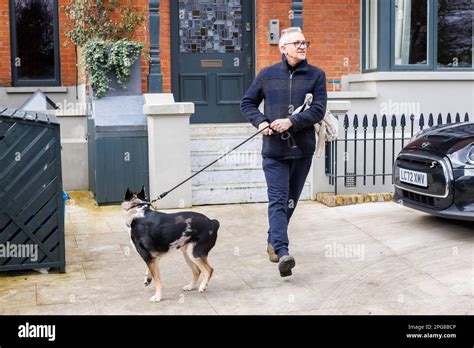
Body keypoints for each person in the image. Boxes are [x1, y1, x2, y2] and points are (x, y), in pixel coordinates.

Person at [240, 27, 327, 277]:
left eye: (304, 42)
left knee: (290, 201)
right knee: (278, 199)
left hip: (302, 151)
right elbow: (247, 102)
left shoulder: (316, 75)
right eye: (297, 43)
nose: (302, 46)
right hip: (274, 152)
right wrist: (261, 122)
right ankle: (282, 250)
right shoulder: (267, 75)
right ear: (283, 48)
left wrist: (292, 121)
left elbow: (318, 110)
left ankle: (272, 239)